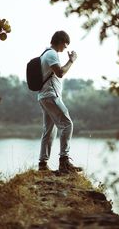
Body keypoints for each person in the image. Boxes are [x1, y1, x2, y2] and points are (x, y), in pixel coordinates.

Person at [38, 30, 83, 173]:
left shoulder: (45, 53)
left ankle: (43, 165)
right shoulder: (51, 54)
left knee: (49, 130)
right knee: (67, 124)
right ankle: (64, 162)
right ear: (61, 41)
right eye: (66, 44)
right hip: (51, 96)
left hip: (44, 96)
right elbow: (60, 73)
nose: (66, 48)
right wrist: (71, 60)